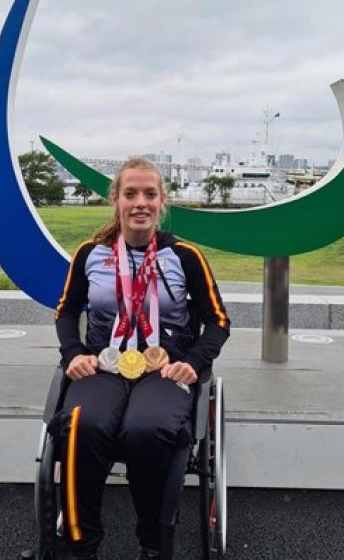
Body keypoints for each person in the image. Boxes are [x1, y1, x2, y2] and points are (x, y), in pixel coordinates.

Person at [54, 157, 230, 559]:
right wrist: (73, 355)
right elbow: (66, 311)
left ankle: (154, 544)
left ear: (161, 201)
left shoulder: (185, 257)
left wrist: (194, 363)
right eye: (130, 193)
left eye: (149, 194)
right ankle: (80, 544)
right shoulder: (90, 254)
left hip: (164, 368)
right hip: (105, 364)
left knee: (147, 429)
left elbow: (218, 322)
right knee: (83, 423)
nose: (140, 202)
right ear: (115, 199)